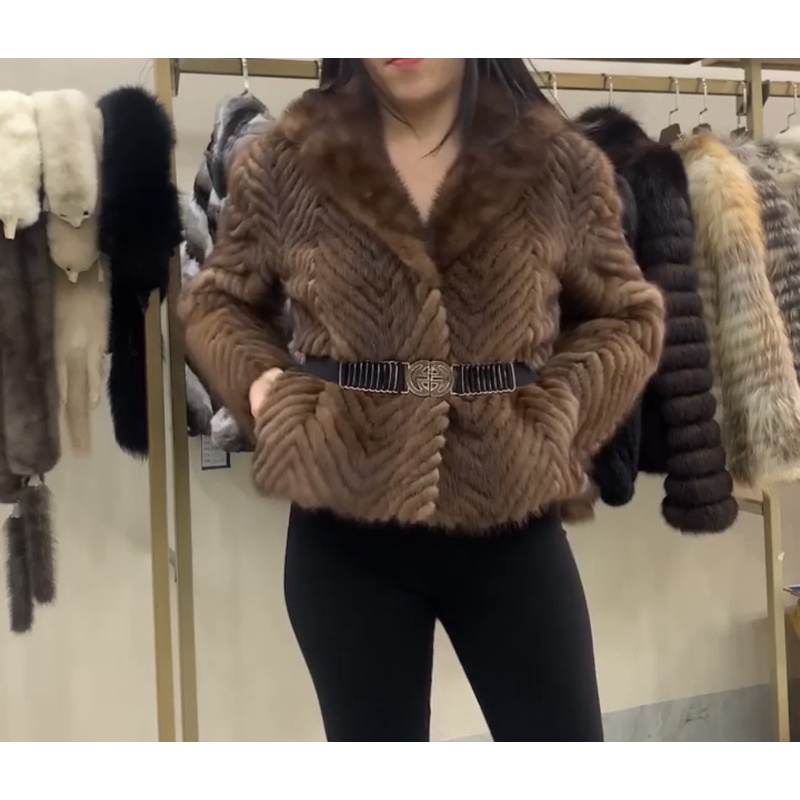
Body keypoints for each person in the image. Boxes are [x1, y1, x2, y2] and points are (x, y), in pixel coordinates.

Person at [178, 58, 665, 742]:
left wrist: (559, 411)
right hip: (345, 532)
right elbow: (219, 302)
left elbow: (626, 316)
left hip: (510, 523)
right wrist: (260, 384)